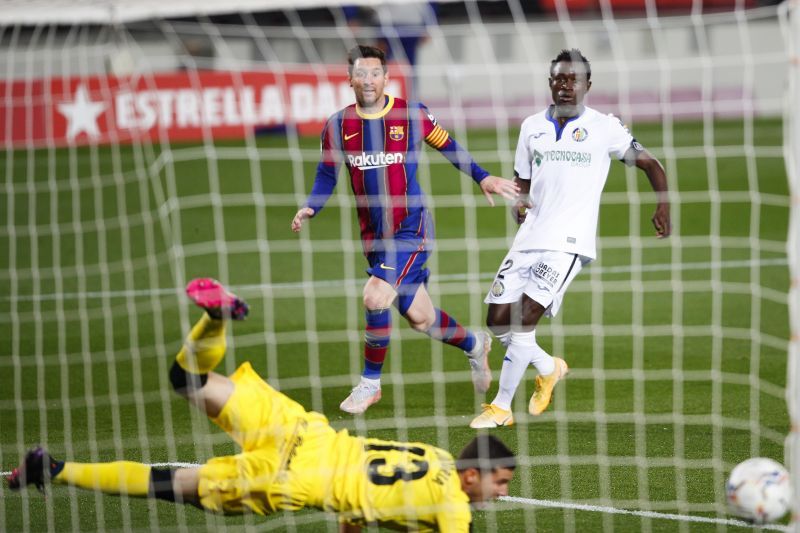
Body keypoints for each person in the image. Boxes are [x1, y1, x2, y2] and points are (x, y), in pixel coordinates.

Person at [7, 278, 516, 532]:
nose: (502, 491)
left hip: (307, 431)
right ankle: (53, 469)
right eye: (501, 481)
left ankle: (216, 320)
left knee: (186, 378)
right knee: (170, 486)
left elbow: (362, 501)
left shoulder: (433, 455)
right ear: (473, 477)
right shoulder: (454, 510)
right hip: (290, 476)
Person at [291, 45, 519, 415]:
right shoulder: (337, 125)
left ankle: (369, 385)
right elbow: (327, 174)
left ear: (386, 77)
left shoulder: (411, 114)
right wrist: (311, 206)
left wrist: (482, 177)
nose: (368, 80)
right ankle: (475, 343)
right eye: (361, 74)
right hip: (375, 237)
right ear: (349, 79)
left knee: (375, 296)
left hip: (411, 229)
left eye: (375, 73)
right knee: (421, 319)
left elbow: (448, 146)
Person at [470, 49, 671, 428]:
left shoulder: (605, 127)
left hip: (569, 241)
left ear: (587, 85)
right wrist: (521, 204)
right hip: (530, 236)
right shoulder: (532, 126)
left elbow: (650, 163)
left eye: (573, 80)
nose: (565, 86)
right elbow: (523, 182)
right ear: (550, 83)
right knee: (498, 319)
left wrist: (664, 205)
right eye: (559, 79)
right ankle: (548, 368)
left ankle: (500, 408)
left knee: (526, 319)